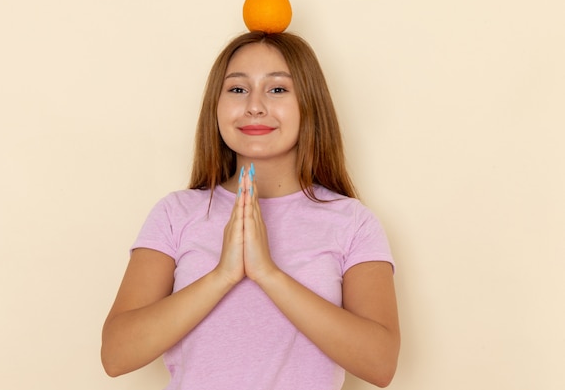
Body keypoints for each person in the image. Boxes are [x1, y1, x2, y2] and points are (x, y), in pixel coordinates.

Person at [101, 31, 400, 389]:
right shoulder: (175, 213)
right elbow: (116, 355)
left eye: (277, 89)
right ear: (216, 104)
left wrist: (267, 274)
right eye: (238, 89)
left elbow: (380, 364)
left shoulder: (353, 222)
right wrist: (223, 275)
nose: (254, 106)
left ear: (310, 103)